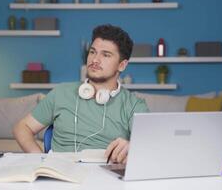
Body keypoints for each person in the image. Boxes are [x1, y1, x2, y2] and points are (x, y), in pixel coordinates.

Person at [13, 24, 149, 164]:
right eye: (92, 52)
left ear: (122, 65)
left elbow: (150, 146)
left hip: (105, 176)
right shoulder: (61, 93)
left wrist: (132, 147)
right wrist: (40, 160)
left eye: (106, 55)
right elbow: (23, 127)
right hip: (59, 173)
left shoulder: (134, 105)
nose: (95, 60)